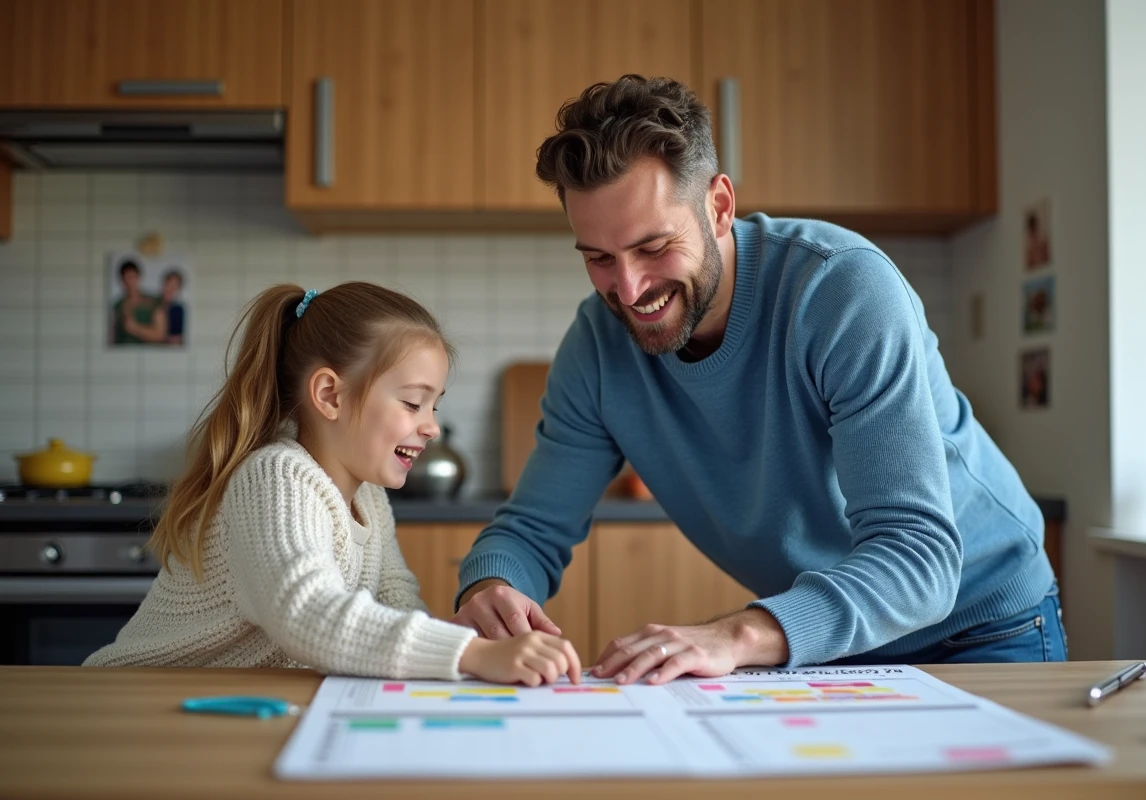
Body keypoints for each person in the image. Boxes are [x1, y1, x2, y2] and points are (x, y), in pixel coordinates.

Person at [452, 75, 1064, 683]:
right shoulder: (598, 347)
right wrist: (493, 581)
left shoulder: (842, 291)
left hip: (980, 624)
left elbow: (918, 561)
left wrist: (737, 634)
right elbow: (531, 527)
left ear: (719, 206)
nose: (630, 289)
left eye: (654, 246)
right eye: (599, 260)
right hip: (825, 639)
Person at [85, 282, 582, 687]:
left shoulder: (368, 497)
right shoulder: (276, 477)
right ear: (329, 395)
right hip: (135, 702)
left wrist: (464, 640)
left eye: (435, 405)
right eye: (412, 403)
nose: (430, 425)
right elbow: (307, 613)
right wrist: (470, 655)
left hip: (228, 710)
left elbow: (396, 602)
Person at [111, 259, 159, 345]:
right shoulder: (117, 306)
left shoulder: (153, 302)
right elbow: (112, 338)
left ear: (139, 277)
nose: (130, 282)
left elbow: (159, 336)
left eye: (132, 277)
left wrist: (135, 328)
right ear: (122, 280)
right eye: (126, 278)